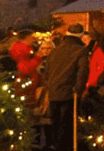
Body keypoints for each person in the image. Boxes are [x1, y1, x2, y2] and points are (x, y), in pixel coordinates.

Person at [42, 23, 90, 151]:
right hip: (70, 95)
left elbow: (46, 72)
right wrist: (79, 90)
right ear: (80, 36)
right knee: (68, 130)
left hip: (54, 93)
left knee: (56, 128)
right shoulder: (80, 50)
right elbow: (83, 72)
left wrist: (50, 86)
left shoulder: (55, 50)